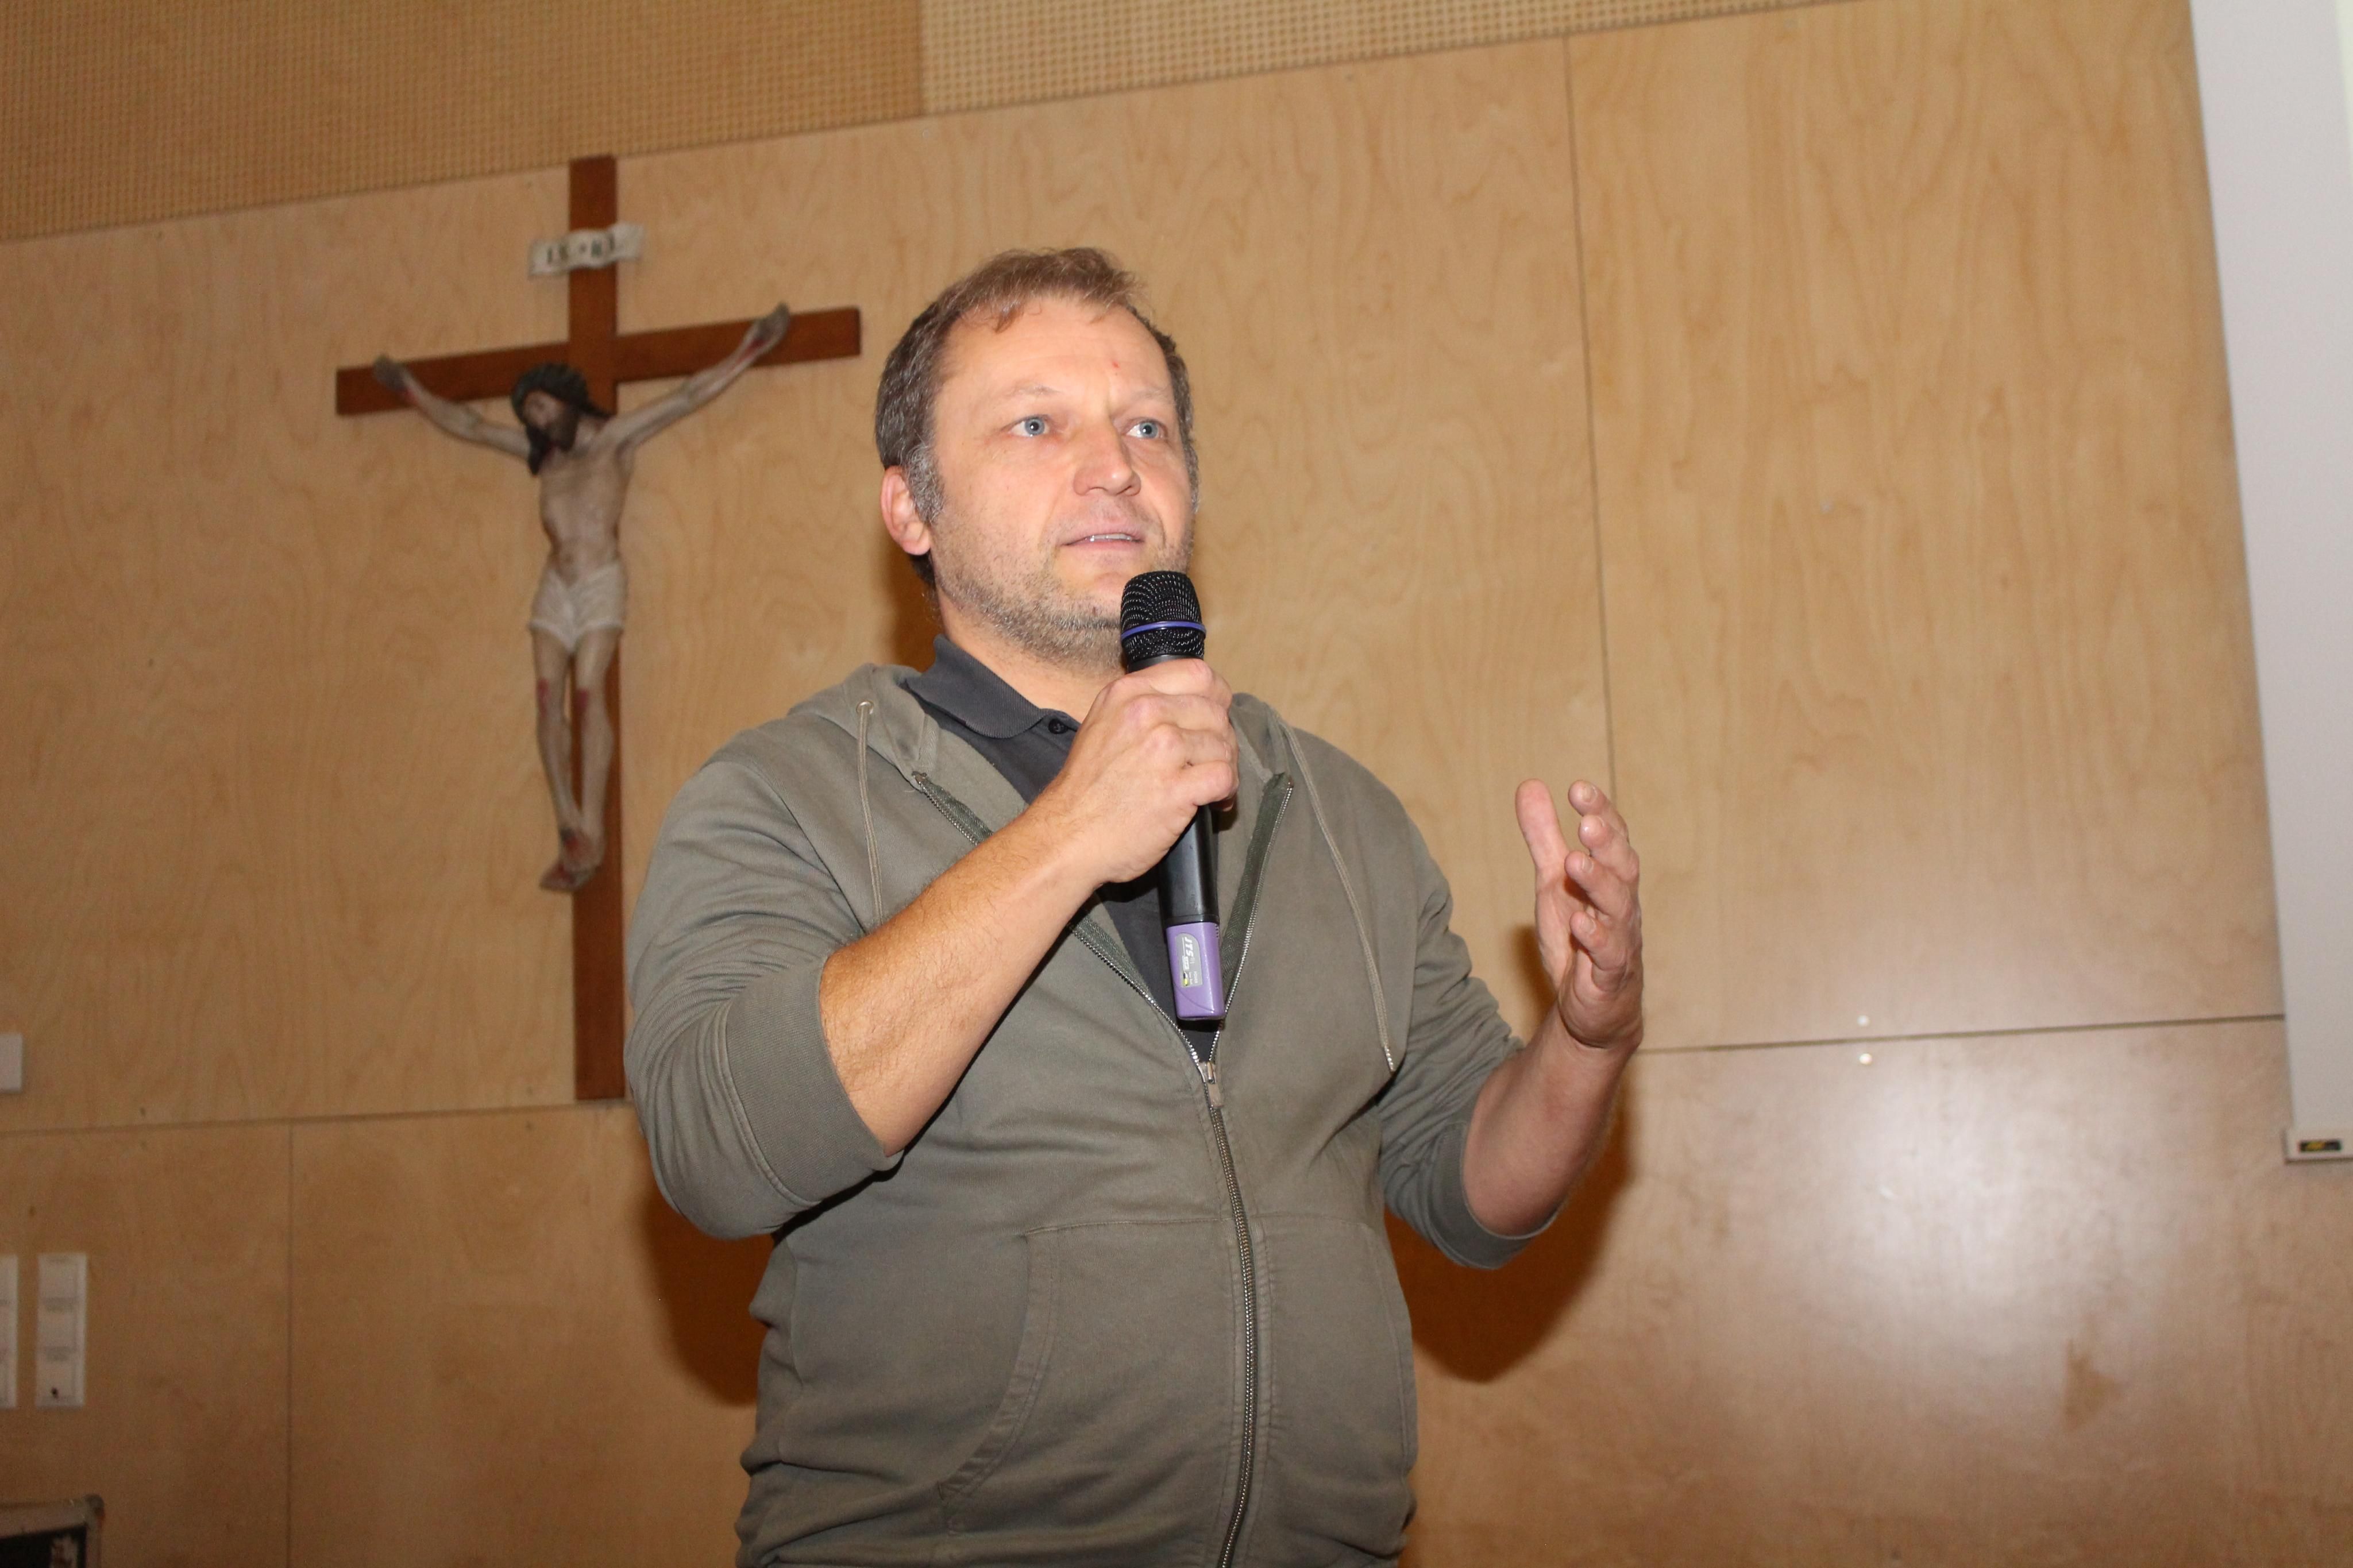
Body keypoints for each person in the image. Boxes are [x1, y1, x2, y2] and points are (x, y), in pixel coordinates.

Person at [626, 250, 1644, 1566]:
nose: (1114, 466)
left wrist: (1587, 1037)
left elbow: (1473, 1187)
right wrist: (1068, 836)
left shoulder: (1334, 811)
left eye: (1147, 427)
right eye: (1036, 424)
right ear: (909, 507)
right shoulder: (792, 796)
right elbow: (718, 1150)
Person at [372, 303, 791, 890]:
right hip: (556, 585)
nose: (539, 423)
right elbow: (470, 426)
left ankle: (591, 824)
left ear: (568, 401)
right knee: (548, 697)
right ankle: (568, 823)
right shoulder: (545, 461)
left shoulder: (614, 441)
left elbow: (687, 396)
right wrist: (410, 390)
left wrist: (752, 345)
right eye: (531, 417)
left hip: (599, 580)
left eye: (544, 409)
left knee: (588, 691)